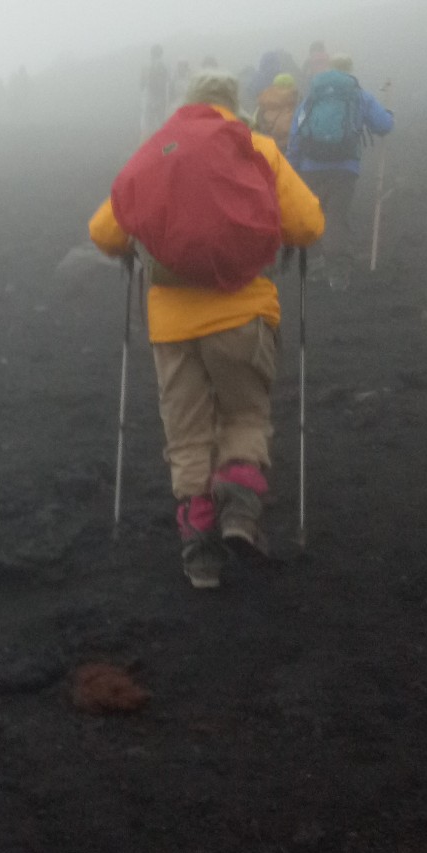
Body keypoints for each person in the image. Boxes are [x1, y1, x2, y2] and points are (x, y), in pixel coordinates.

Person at [87, 71, 324, 588]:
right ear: (232, 106)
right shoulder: (256, 147)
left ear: (187, 105)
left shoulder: (157, 149)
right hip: (243, 314)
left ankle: (200, 556)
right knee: (244, 413)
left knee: (188, 436)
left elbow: (105, 230)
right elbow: (307, 224)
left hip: (171, 324)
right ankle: (240, 511)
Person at [286, 57, 393, 288]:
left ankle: (314, 267)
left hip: (310, 165)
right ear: (350, 69)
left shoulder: (312, 96)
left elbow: (297, 130)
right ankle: (338, 274)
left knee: (313, 214)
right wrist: (389, 115)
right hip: (344, 167)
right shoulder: (358, 95)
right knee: (336, 217)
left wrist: (292, 165)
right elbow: (383, 125)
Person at [253, 71, 300, 149]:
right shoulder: (296, 104)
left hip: (267, 146)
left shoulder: (265, 102)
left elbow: (256, 124)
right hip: (289, 147)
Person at [141, 46, 171, 136]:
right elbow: (168, 81)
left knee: (149, 123)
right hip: (159, 97)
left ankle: (150, 141)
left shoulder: (146, 65)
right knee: (161, 121)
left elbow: (141, 84)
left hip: (150, 97)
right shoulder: (164, 65)